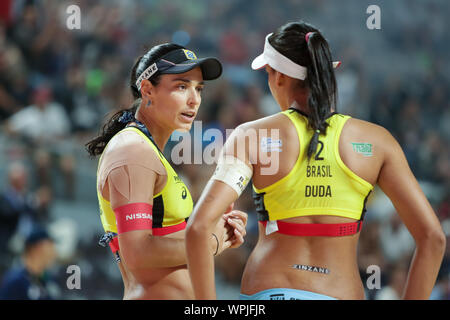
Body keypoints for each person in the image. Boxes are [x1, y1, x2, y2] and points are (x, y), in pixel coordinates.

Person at [185, 21, 446, 300]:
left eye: (269, 75)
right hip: (341, 291)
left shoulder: (252, 135)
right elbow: (433, 238)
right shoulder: (377, 141)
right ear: (327, 70)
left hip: (270, 290)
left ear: (278, 76)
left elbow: (198, 228)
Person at [85, 43, 247, 300]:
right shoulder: (133, 151)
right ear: (148, 90)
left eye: (199, 89)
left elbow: (168, 240)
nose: (194, 100)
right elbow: (137, 253)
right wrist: (210, 242)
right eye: (182, 87)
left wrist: (217, 231)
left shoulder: (148, 150)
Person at [0, 227, 58, 300]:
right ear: (36, 248)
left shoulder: (46, 280)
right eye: (50, 246)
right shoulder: (16, 281)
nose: (54, 253)